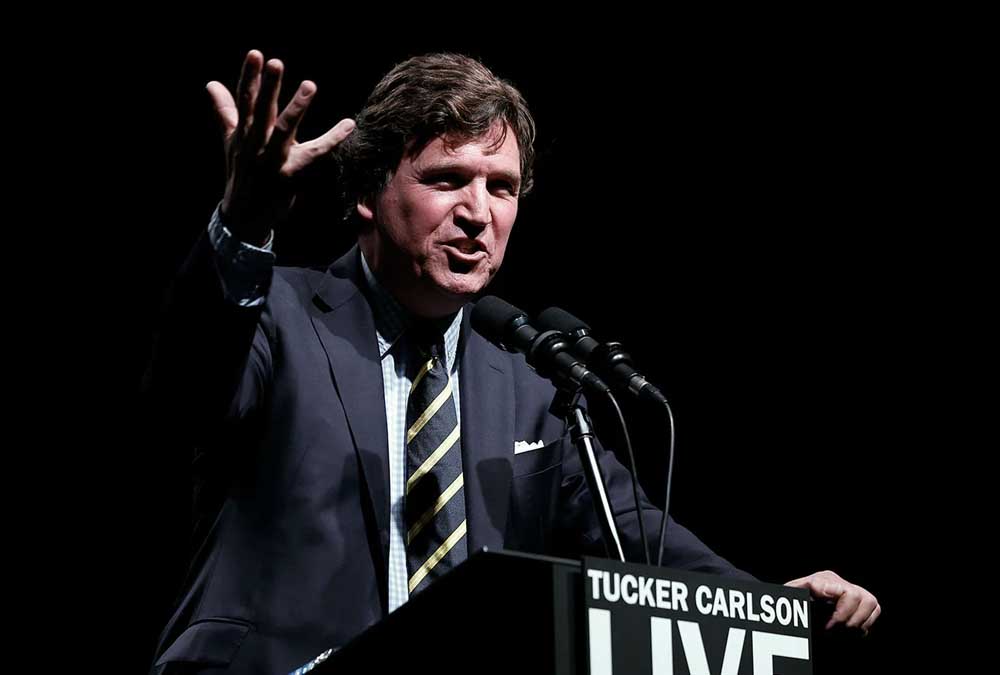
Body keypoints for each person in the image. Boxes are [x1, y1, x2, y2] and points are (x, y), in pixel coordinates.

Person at [145, 50, 879, 675]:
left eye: (500, 187)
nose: (478, 212)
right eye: (446, 179)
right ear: (368, 193)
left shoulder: (534, 388)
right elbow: (182, 394)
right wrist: (244, 224)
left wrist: (771, 604)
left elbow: (640, 542)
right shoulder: (276, 312)